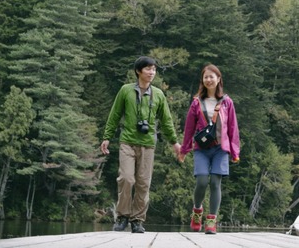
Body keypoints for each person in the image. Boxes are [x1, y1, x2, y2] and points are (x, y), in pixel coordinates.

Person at [100, 56, 182, 233]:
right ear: (138, 71)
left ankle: (137, 220)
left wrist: (174, 142)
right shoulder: (125, 90)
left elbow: (167, 121)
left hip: (147, 144)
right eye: (148, 69)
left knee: (143, 183)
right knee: (126, 179)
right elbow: (114, 115)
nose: (152, 72)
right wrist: (107, 136)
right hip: (127, 142)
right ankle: (122, 217)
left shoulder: (158, 94)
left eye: (154, 69)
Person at [180, 64, 240, 234]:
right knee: (201, 181)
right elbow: (189, 128)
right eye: (205, 77)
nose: (208, 80)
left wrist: (235, 152)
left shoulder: (227, 102)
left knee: (215, 182)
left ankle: (212, 221)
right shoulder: (196, 102)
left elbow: (233, 127)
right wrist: (184, 150)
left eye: (212, 76)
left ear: (219, 79)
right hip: (201, 148)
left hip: (221, 148)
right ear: (202, 80)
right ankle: (197, 211)